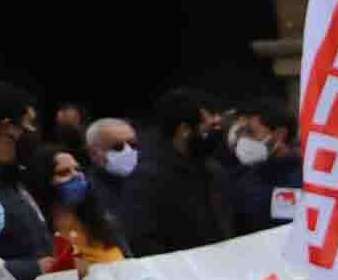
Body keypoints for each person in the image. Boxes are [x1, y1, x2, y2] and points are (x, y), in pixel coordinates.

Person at [117, 88, 228, 256]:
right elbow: (143, 242)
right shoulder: (146, 181)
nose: (215, 134)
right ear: (184, 130)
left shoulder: (214, 171)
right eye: (208, 128)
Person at [0, 84, 50, 280]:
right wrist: (35, 267)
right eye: (27, 126)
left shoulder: (12, 180)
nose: (32, 134)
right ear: (5, 127)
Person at [215, 97, 294, 233]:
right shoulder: (234, 177)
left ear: (280, 135)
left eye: (250, 132)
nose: (242, 141)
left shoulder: (300, 182)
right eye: (239, 134)